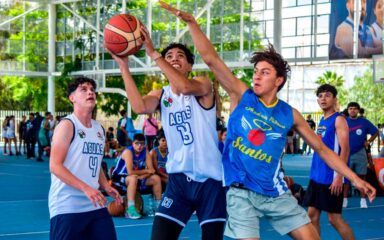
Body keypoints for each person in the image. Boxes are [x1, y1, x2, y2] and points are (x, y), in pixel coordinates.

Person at [160, 3, 376, 239]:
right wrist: (193, 24)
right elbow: (211, 59)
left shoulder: (289, 114)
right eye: (256, 71)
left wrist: (354, 178)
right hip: (240, 193)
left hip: (275, 192)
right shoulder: (242, 96)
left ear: (278, 80)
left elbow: (322, 149)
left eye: (264, 72)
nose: (256, 76)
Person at [108, 23, 226, 239]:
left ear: (190, 65)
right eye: (169, 55)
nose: (174, 58)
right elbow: (139, 107)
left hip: (211, 182)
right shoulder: (161, 94)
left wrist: (153, 53)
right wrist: (124, 67)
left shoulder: (202, 84)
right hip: (178, 181)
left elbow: (183, 87)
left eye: (180, 56)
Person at [48, 77, 120, 240]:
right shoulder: (67, 125)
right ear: (72, 98)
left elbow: (95, 164)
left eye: (92, 90)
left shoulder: (98, 129)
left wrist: (105, 186)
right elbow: (55, 166)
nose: (90, 92)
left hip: (95, 204)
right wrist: (86, 188)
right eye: (83, 89)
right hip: (68, 205)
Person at [303, 84, 355, 239]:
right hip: (317, 176)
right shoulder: (322, 121)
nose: (323, 99)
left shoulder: (338, 120)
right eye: (320, 96)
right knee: (312, 216)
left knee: (334, 219)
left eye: (327, 95)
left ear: (334, 99)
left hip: (331, 178)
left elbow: (345, 150)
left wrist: (339, 176)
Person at [111, 133, 162, 219]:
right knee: (133, 178)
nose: (139, 146)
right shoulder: (128, 152)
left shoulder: (145, 152)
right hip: (119, 177)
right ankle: (130, 209)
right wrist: (146, 171)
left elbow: (152, 170)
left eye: (142, 144)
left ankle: (158, 207)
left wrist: (142, 176)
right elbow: (130, 172)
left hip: (137, 177)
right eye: (137, 143)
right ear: (132, 144)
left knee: (156, 178)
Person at [343, 102, 379, 208]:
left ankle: (363, 200)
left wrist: (368, 141)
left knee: (362, 177)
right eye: (350, 108)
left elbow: (376, 132)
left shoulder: (364, 122)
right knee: (346, 178)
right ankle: (344, 200)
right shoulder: (343, 121)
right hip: (347, 152)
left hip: (360, 152)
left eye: (355, 108)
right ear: (348, 110)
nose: (353, 110)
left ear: (358, 110)